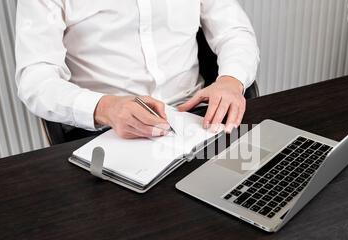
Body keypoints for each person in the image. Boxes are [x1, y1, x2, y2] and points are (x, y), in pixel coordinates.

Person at [15, 0, 260, 139]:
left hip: (199, 117)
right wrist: (105, 108)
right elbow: (35, 78)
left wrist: (230, 80)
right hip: (110, 130)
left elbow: (234, 32)